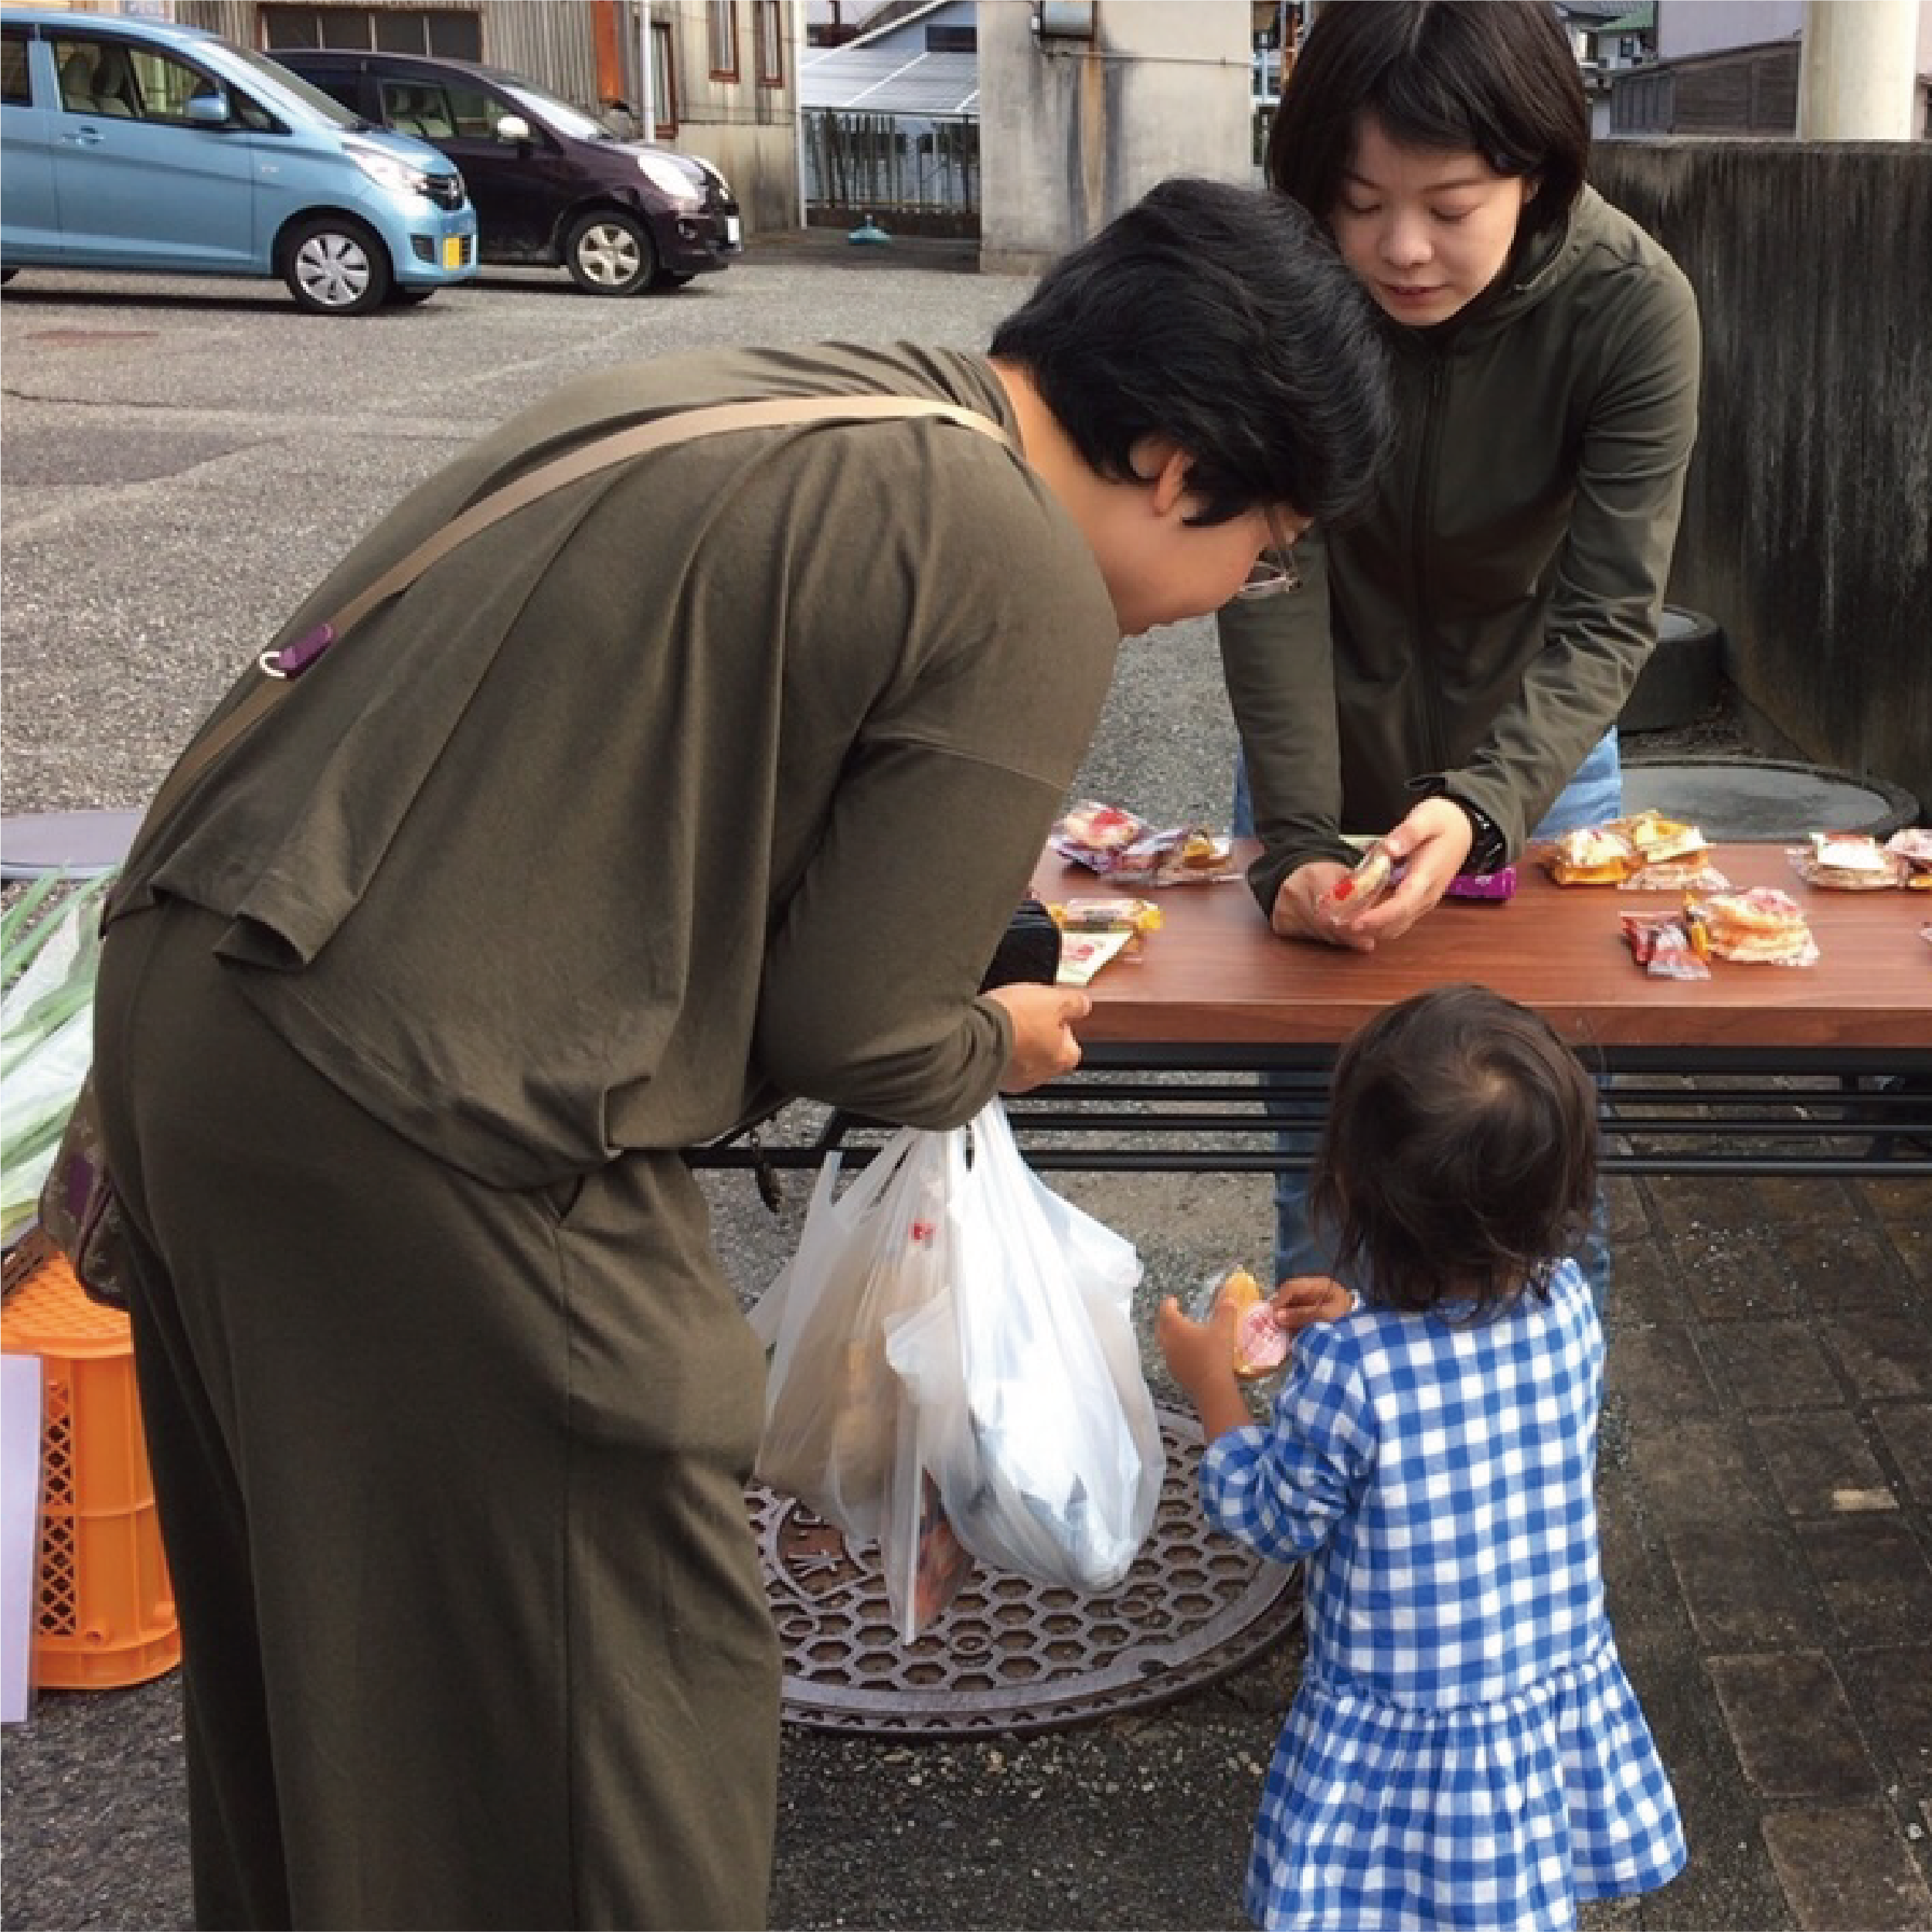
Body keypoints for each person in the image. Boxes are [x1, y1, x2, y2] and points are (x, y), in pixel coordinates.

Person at [87, 176, 1391, 1932]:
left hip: (194, 1006)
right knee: (612, 1719)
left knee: (330, 1691)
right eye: (1271, 540)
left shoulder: (806, 383)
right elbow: (859, 1026)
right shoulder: (1018, 560)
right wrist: (994, 1036)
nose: (1248, 584)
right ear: (1175, 461)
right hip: (414, 1109)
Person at [1219, 0, 1702, 1288]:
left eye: (1451, 202)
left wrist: (1484, 806)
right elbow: (1273, 573)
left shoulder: (1631, 307)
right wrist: (1302, 849)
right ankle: (1314, 1464)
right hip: (1315, 748)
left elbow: (1609, 612)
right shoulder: (1282, 291)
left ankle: (1541, 1465)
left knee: (1537, 1154)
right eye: (1361, 199)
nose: (1400, 248)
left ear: (1537, 172)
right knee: (1323, 1150)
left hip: (1536, 764)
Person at [1157, 984, 1687, 1932]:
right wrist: (1360, 1318)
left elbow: (1277, 1518)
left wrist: (1213, 1389)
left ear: (1351, 1190)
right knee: (1500, 1881)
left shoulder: (1352, 1373)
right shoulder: (1567, 1305)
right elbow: (1460, 1374)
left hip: (1406, 1704)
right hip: (1531, 1673)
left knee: (1395, 1897)